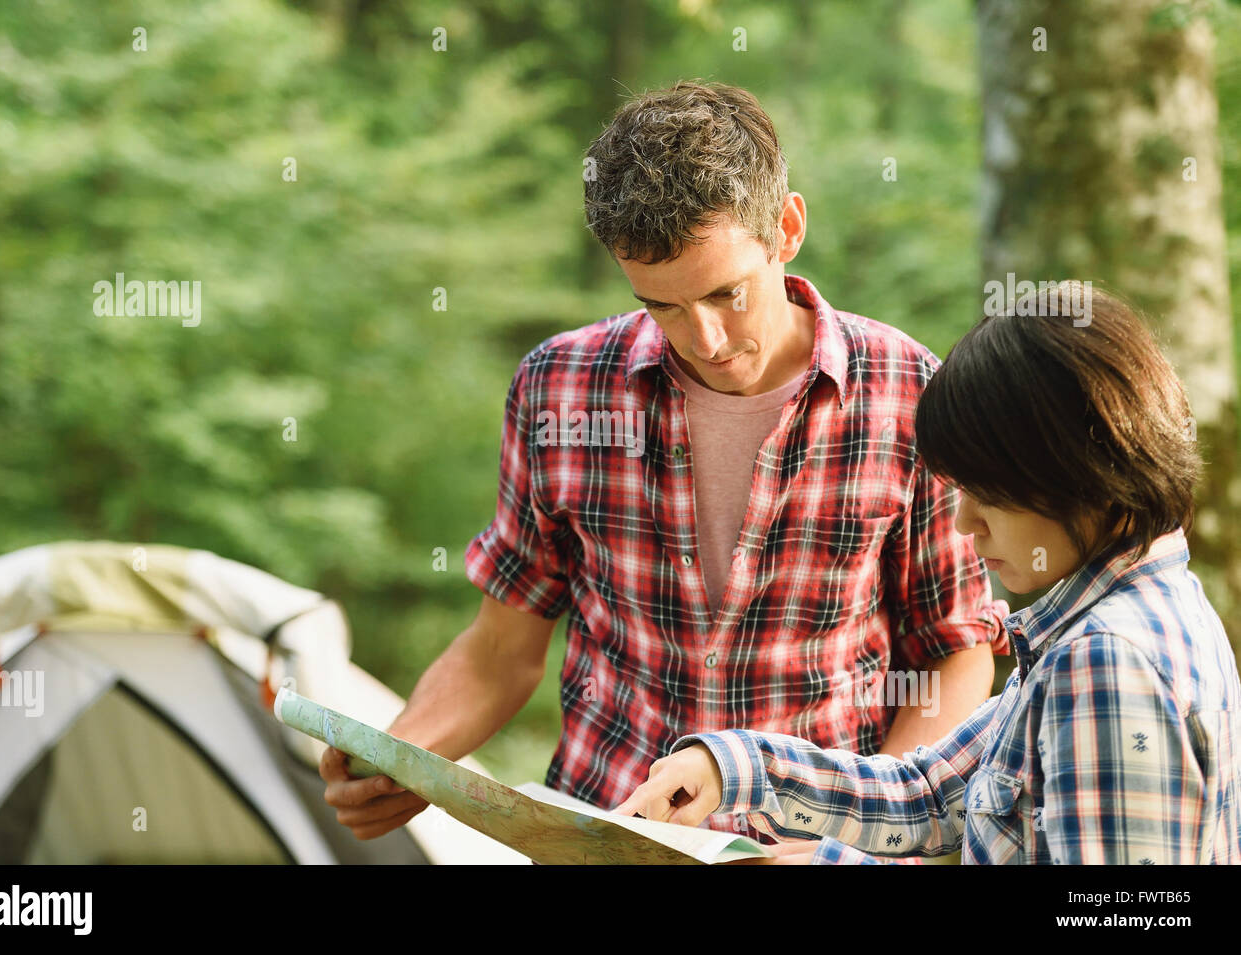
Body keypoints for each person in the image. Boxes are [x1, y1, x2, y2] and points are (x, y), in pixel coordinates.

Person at [320, 80, 1010, 848]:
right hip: (605, 834)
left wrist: (867, 840)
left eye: (727, 293)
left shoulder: (911, 392)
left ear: (786, 227)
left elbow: (951, 653)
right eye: (664, 306)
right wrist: (401, 756)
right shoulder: (559, 387)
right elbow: (498, 654)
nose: (707, 339)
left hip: (810, 844)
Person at [617, 283, 1241, 864]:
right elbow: (928, 792)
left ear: (1078, 472)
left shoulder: (1106, 662)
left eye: (988, 492)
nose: (966, 522)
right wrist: (732, 769)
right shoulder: (1121, 619)